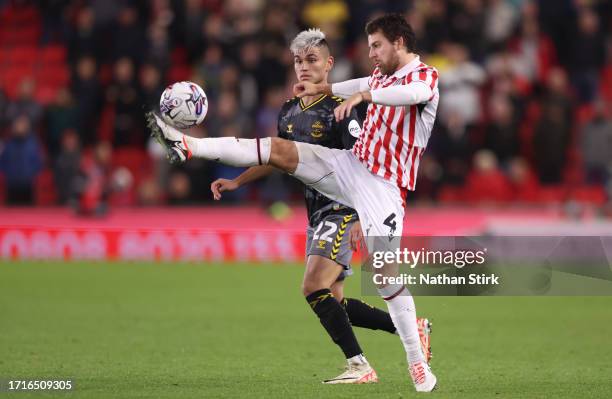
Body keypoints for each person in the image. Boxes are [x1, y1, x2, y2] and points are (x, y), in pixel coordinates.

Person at [147, 14, 439, 392]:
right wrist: (327, 87)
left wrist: (363, 95)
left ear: (399, 41)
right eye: (369, 46)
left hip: (384, 188)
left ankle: (417, 364)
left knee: (383, 275)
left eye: (377, 45)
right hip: (350, 168)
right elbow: (358, 83)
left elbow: (410, 95)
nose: (371, 53)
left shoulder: (425, 77)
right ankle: (189, 146)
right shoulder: (375, 79)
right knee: (279, 149)